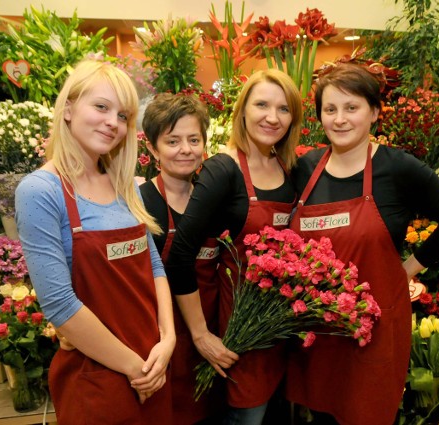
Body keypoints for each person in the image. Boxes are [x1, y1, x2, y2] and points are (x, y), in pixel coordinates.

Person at [286, 63, 439, 425]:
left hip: (372, 331)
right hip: (317, 333)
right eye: (330, 109)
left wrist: (408, 268)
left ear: (373, 112)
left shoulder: (398, 169)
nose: (340, 119)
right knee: (320, 413)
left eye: (351, 108)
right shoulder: (306, 168)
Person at [15, 60, 175, 424]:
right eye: (101, 107)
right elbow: (60, 307)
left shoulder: (125, 186)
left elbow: (153, 267)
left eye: (122, 115)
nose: (112, 123)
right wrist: (135, 368)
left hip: (154, 367)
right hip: (101, 376)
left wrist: (167, 341)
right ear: (68, 109)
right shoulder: (41, 191)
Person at [165, 69, 303, 425]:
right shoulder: (223, 170)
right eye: (261, 104)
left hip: (278, 328)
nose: (272, 117)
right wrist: (200, 335)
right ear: (242, 110)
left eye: (283, 109)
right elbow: (180, 255)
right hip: (237, 330)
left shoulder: (291, 169)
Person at [139, 93, 225, 424]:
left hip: (211, 336)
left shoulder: (214, 199)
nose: (185, 149)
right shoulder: (141, 204)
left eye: (193, 139)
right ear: (152, 148)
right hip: (163, 342)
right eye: (172, 141)